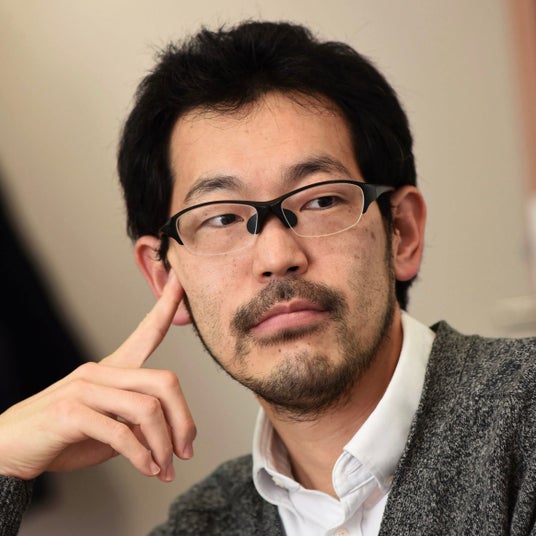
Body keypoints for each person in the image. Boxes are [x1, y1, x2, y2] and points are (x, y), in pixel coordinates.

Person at [0, 20, 534, 536]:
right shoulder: (202, 525)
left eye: (321, 201)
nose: (277, 257)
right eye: (221, 219)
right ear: (164, 275)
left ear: (403, 232)